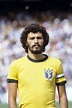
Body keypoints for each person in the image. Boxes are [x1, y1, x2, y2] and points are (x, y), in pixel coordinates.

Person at [7, 22, 68, 108]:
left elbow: (63, 96)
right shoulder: (16, 65)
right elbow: (11, 99)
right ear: (26, 42)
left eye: (39, 38)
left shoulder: (56, 64)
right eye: (32, 38)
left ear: (44, 40)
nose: (36, 41)